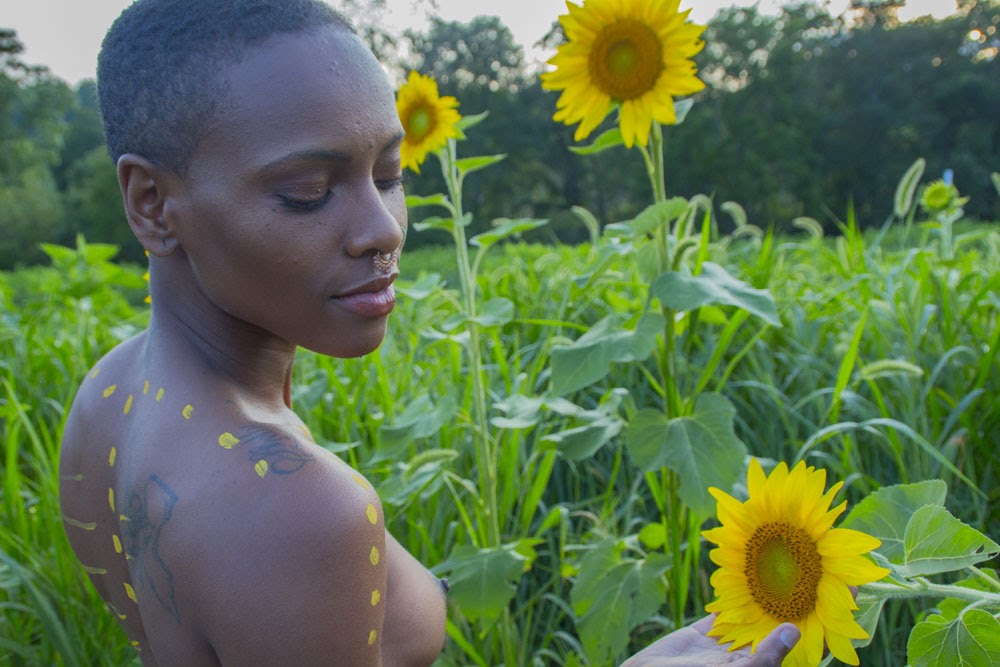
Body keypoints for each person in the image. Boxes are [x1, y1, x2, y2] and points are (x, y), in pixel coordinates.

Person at [58, 1, 801, 665]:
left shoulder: (110, 395)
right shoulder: (293, 511)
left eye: (389, 174)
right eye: (308, 193)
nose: (383, 230)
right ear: (152, 203)